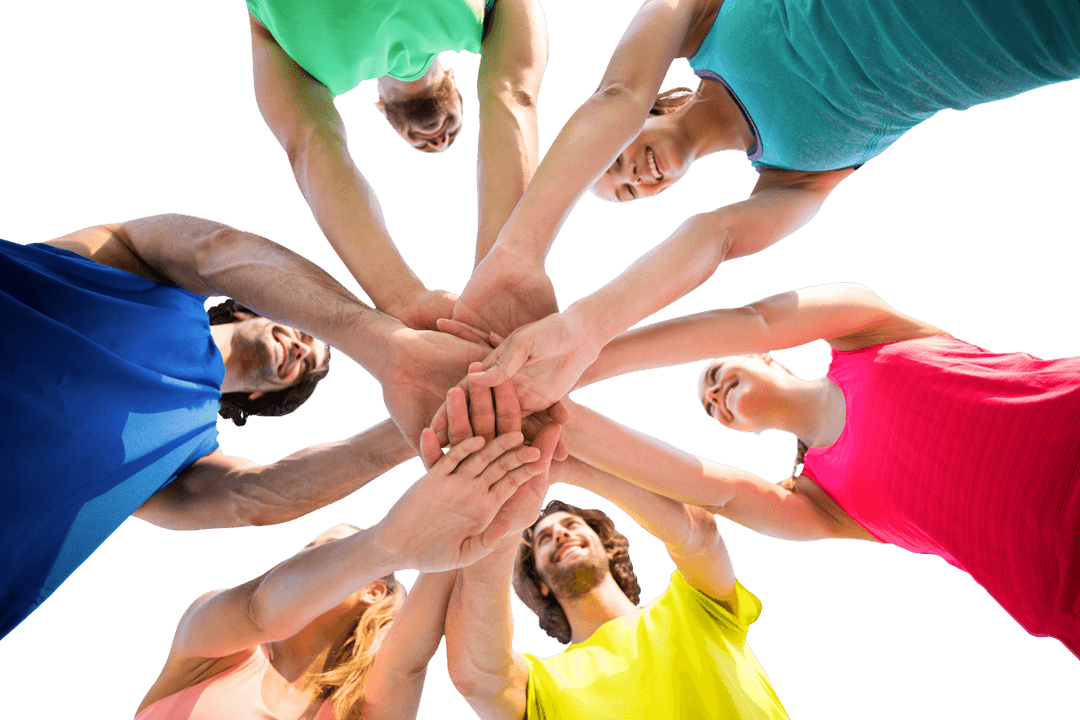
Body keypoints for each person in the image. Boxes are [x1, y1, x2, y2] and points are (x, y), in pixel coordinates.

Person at [446, 0, 1080, 408]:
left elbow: (616, 94)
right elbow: (710, 241)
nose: (631, 176)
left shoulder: (700, 23)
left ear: (647, 114)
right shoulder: (792, 181)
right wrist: (583, 335)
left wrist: (517, 254)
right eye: (629, 193)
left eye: (613, 160)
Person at [0, 212, 504, 638]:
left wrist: (432, 422)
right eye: (307, 332)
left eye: (307, 366)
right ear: (250, 309)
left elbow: (256, 498)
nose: (304, 347)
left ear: (264, 396)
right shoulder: (140, 269)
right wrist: (387, 345)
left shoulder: (187, 456)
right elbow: (215, 251)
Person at [553, 282, 1080, 658]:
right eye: (711, 410)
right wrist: (561, 422)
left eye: (713, 373)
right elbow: (718, 492)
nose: (713, 396)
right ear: (744, 433)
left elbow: (757, 318)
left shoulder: (865, 332)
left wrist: (580, 361)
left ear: (762, 356)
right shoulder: (817, 502)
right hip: (1065, 577)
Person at [135, 412, 557, 719]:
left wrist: (494, 512)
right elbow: (260, 610)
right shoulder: (214, 650)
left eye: (325, 549)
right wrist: (385, 547)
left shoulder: (358, 710)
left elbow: (407, 663)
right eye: (309, 553)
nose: (304, 561)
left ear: (373, 591)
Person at [442, 384, 790, 719]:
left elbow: (698, 534)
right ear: (541, 583)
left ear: (607, 548)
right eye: (544, 539)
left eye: (572, 525)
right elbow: (477, 678)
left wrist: (568, 463)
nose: (560, 533)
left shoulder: (694, 606)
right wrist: (506, 511)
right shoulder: (541, 685)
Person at [246, 0, 549, 330]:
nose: (438, 140)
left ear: (381, 110)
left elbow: (310, 143)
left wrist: (403, 299)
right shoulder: (480, 21)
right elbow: (512, 92)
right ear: (453, 82)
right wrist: (499, 271)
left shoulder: (302, 65)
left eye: (423, 145)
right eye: (453, 131)